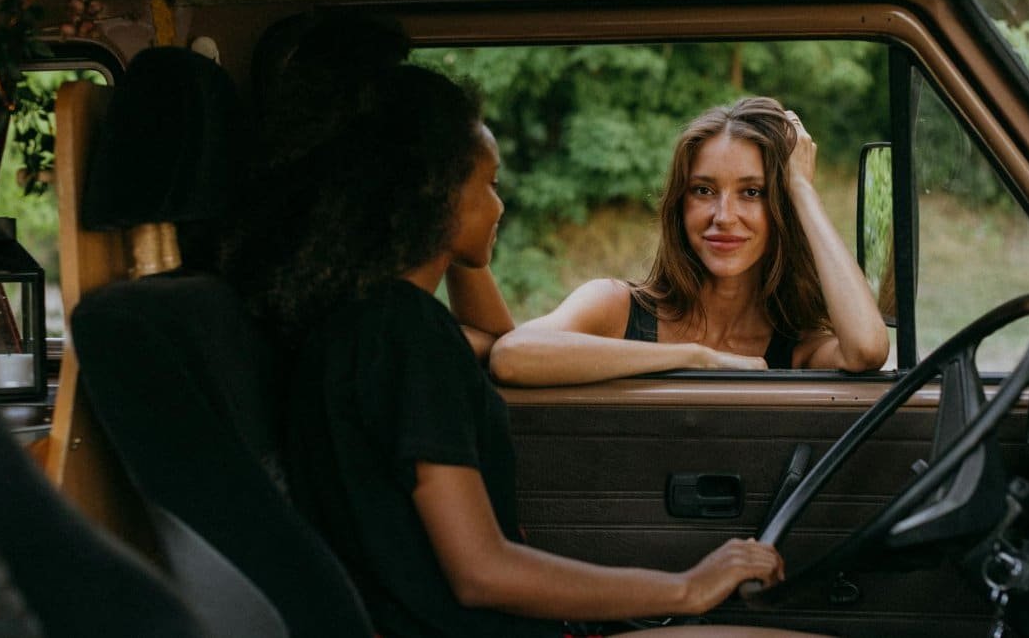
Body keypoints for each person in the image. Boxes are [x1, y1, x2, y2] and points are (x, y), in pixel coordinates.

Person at [225, 33, 826, 636]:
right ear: (432, 194)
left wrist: (461, 248)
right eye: (486, 184)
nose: (500, 206)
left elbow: (496, 342)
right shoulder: (404, 336)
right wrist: (688, 587)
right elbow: (481, 572)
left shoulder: (377, 323)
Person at [489, 98, 889, 386]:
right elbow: (512, 356)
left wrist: (801, 188)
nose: (724, 216)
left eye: (752, 192)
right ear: (679, 206)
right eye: (703, 190)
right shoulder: (616, 308)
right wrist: (698, 359)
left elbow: (868, 350)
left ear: (781, 211)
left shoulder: (797, 349)